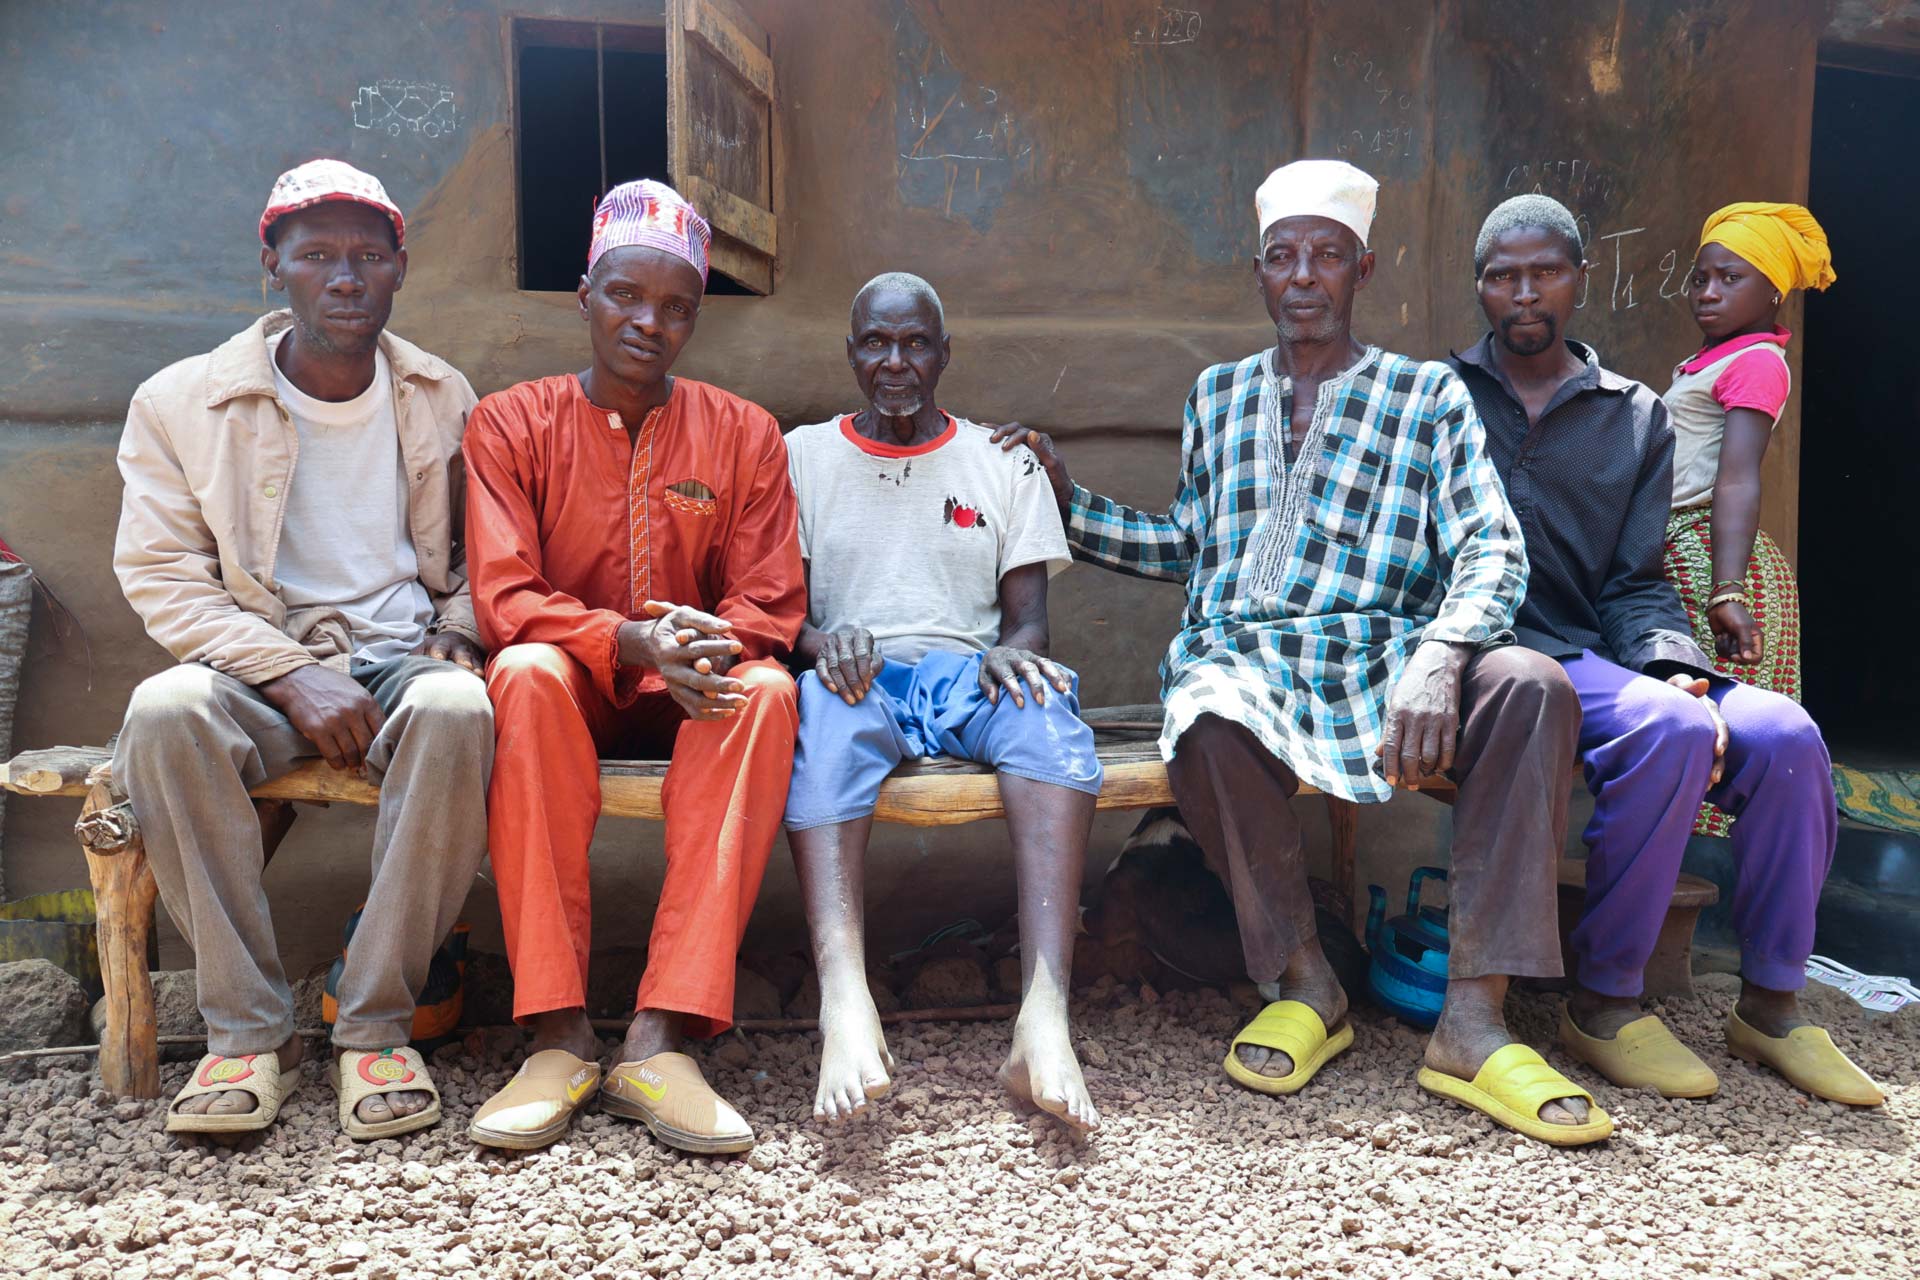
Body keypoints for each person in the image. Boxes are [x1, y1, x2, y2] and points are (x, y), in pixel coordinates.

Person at [997, 160, 1605, 1144]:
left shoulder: (1427, 396)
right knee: (1206, 704)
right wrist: (1066, 503)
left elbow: (1491, 547)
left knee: (1532, 683)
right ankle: (1302, 977)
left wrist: (1445, 654)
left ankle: (1474, 1015)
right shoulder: (1219, 395)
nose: (1304, 275)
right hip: (1251, 665)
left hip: (1393, 657)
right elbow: (1191, 548)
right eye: (1284, 256)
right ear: (1260, 273)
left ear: (1363, 269)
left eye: (1327, 255)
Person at [1450, 194, 1880, 1106]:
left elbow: (1635, 583)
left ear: (1581, 278)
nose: (1524, 294)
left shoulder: (1633, 417)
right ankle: (1604, 1000)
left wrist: (1675, 663)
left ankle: (1772, 1002)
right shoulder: (1434, 399)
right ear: (1479, 288)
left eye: (1546, 272)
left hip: (1595, 650)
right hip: (1492, 657)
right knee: (1669, 732)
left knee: (1785, 735)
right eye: (1502, 277)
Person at [112, 159, 493, 1139]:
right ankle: (247, 1031)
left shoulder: (441, 393)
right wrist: (288, 669)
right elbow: (159, 572)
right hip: (262, 656)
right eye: (316, 254)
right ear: (272, 266)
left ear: (401, 268)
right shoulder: (181, 401)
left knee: (461, 706)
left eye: (369, 256)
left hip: (400, 656)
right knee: (163, 711)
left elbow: (487, 558)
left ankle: (374, 1024)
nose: (345, 277)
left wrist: (457, 633)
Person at [462, 180, 804, 1155]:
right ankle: (556, 1032)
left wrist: (702, 647)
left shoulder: (743, 433)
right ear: (583, 296)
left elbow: (771, 597)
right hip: (574, 683)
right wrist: (627, 640)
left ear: (696, 316)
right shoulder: (510, 424)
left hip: (689, 687)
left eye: (675, 305)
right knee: (523, 672)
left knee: (767, 688)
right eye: (624, 295)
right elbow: (504, 594)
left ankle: (666, 1034)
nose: (647, 321)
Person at [783, 273, 1104, 1133]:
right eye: (877, 345)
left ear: (944, 354)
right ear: (851, 354)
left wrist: (1012, 658)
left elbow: (1029, 624)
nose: (896, 363)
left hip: (970, 676)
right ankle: (844, 1002)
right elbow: (784, 615)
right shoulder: (802, 455)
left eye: (916, 344)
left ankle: (1044, 1015)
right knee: (819, 719)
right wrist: (823, 643)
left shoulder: (1003, 460)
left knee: (1050, 716)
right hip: (859, 673)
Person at [1661, 203, 1835, 838]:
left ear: (1772, 291)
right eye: (1700, 277)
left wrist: (1727, 589)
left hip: (1715, 557)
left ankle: (1710, 915)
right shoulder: (1711, 360)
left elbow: (1737, 475)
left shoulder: (1758, 362)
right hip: (1690, 551)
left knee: (1720, 740)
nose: (1708, 292)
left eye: (1730, 279)